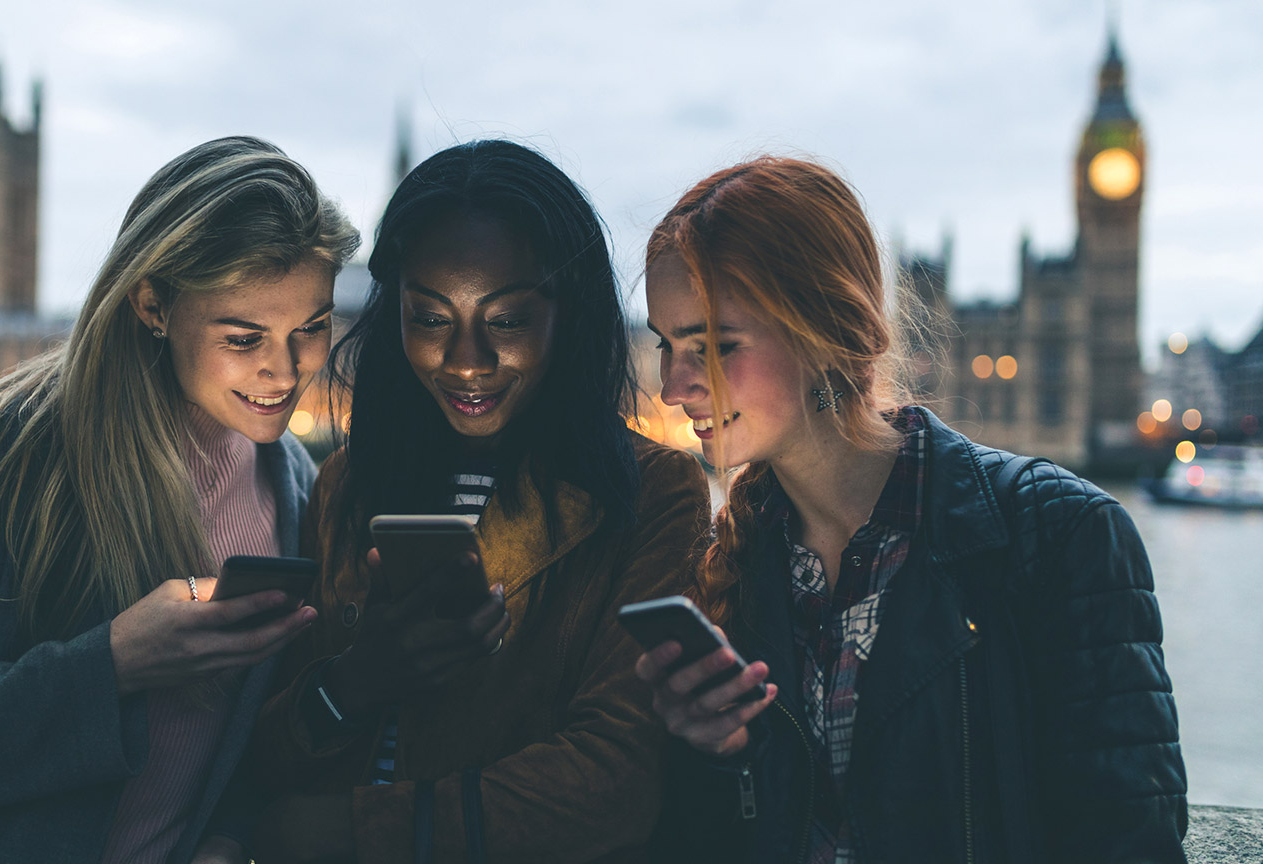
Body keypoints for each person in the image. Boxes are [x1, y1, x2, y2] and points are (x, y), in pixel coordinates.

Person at [0, 136, 360, 864]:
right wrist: (114, 663)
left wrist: (224, 837)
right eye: (245, 335)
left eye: (311, 329)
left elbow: (241, 744)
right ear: (153, 303)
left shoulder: (292, 484)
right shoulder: (12, 448)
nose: (286, 371)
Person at [635, 156, 1187, 863]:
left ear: (828, 330)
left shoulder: (1061, 537)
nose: (676, 386)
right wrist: (713, 755)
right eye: (666, 345)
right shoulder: (730, 565)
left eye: (713, 346)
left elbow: (1128, 843)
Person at [198, 139, 710, 864]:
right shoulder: (346, 485)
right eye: (431, 318)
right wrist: (356, 680)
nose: (466, 361)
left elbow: (614, 779)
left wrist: (342, 832)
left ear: (569, 314)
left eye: (504, 321)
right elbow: (266, 752)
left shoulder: (655, 492)